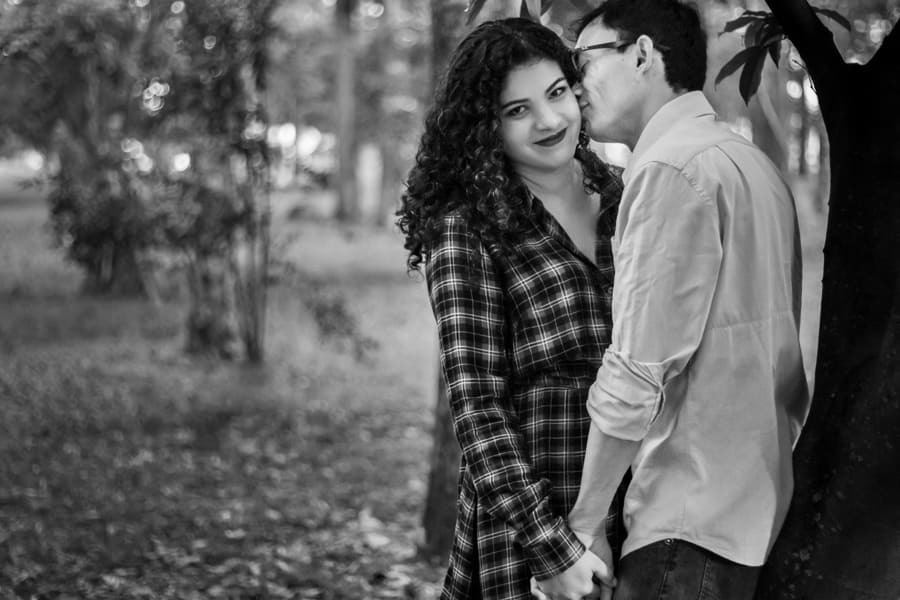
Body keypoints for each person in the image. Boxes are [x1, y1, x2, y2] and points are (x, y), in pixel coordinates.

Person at [543, 1, 811, 598]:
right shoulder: (751, 164)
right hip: (751, 509)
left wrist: (585, 524)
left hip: (684, 522)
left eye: (582, 61)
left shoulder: (670, 169)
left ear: (641, 54)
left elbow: (638, 370)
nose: (574, 86)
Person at [396, 17, 626, 600]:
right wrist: (551, 549)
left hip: (646, 505)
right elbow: (477, 408)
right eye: (516, 110)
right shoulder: (467, 231)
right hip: (534, 526)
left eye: (555, 94)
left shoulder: (634, 194)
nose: (549, 121)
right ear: (485, 128)